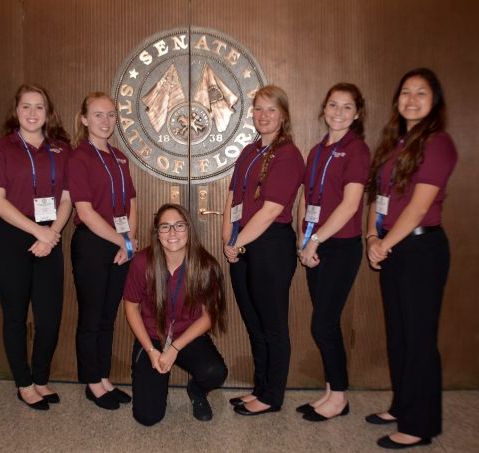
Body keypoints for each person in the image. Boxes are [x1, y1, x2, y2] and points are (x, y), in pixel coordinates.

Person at [365, 68, 457, 449]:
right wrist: (372, 235)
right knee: (399, 335)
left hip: (420, 249)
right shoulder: (394, 143)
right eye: (406, 92)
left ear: (434, 102)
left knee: (419, 338)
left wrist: (385, 244)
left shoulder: (438, 143)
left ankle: (420, 426)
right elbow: (379, 197)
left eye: (422, 92)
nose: (412, 99)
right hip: (391, 246)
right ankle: (402, 405)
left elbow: (418, 209)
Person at [0, 83, 72, 410]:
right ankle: (23, 383)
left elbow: (67, 198)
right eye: (26, 106)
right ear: (16, 111)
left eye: (39, 107)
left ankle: (41, 377)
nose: (32, 113)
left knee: (49, 317)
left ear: (48, 113)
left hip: (50, 235)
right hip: (9, 236)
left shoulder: (62, 150)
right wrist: (40, 232)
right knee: (15, 316)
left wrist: (52, 234)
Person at [222, 85, 305, 415]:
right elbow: (233, 199)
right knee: (254, 325)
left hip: (270, 246)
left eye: (271, 109)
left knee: (272, 326)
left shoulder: (288, 155)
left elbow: (271, 209)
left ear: (283, 115)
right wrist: (228, 239)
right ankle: (260, 387)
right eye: (258, 109)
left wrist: (238, 242)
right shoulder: (249, 151)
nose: (263, 115)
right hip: (241, 245)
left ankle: (272, 396)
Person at [296, 83, 370, 422]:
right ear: (323, 108)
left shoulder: (357, 150)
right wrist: (303, 237)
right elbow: (308, 199)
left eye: (346, 107)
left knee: (323, 323)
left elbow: (351, 205)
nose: (338, 112)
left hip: (339, 246)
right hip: (315, 245)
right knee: (324, 323)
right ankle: (330, 391)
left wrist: (317, 240)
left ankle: (339, 397)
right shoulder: (317, 151)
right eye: (333, 104)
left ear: (356, 114)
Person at [124, 203, 227, 425]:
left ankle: (196, 391)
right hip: (152, 338)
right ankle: (157, 379)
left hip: (185, 336)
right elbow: (131, 308)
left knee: (215, 372)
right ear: (157, 233)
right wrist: (152, 351)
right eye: (165, 227)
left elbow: (209, 316)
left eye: (179, 226)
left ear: (189, 229)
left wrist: (174, 348)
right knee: (147, 417)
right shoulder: (142, 262)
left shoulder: (205, 265)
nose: (172, 233)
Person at [68, 92, 137, 410]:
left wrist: (129, 240)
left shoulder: (120, 157)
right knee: (91, 317)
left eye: (111, 115)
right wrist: (120, 241)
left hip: (120, 245)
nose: (106, 121)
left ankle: (104, 377)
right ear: (84, 119)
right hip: (94, 244)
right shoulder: (79, 158)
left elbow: (131, 203)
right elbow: (85, 210)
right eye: (98, 115)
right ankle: (92, 382)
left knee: (108, 317)